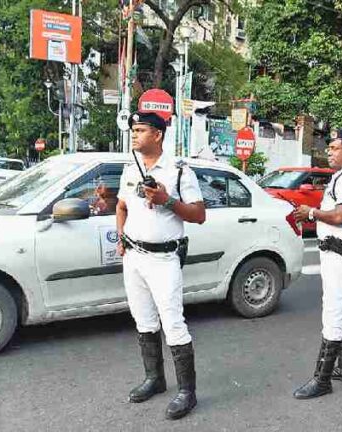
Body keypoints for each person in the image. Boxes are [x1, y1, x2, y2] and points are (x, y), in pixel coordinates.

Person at [116, 111, 206, 420]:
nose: (134, 134)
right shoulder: (130, 167)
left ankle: (187, 392)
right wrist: (120, 237)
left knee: (173, 323)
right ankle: (155, 379)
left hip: (164, 258)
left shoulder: (180, 171)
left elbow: (198, 215)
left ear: (157, 135)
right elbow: (122, 205)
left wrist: (167, 200)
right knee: (143, 321)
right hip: (134, 257)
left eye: (140, 129)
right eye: (133, 129)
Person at [292, 128, 342, 399]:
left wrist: (311, 212)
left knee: (333, 314)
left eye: (335, 148)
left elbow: (340, 216)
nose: (329, 152)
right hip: (341, 251)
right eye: (329, 148)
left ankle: (322, 379)